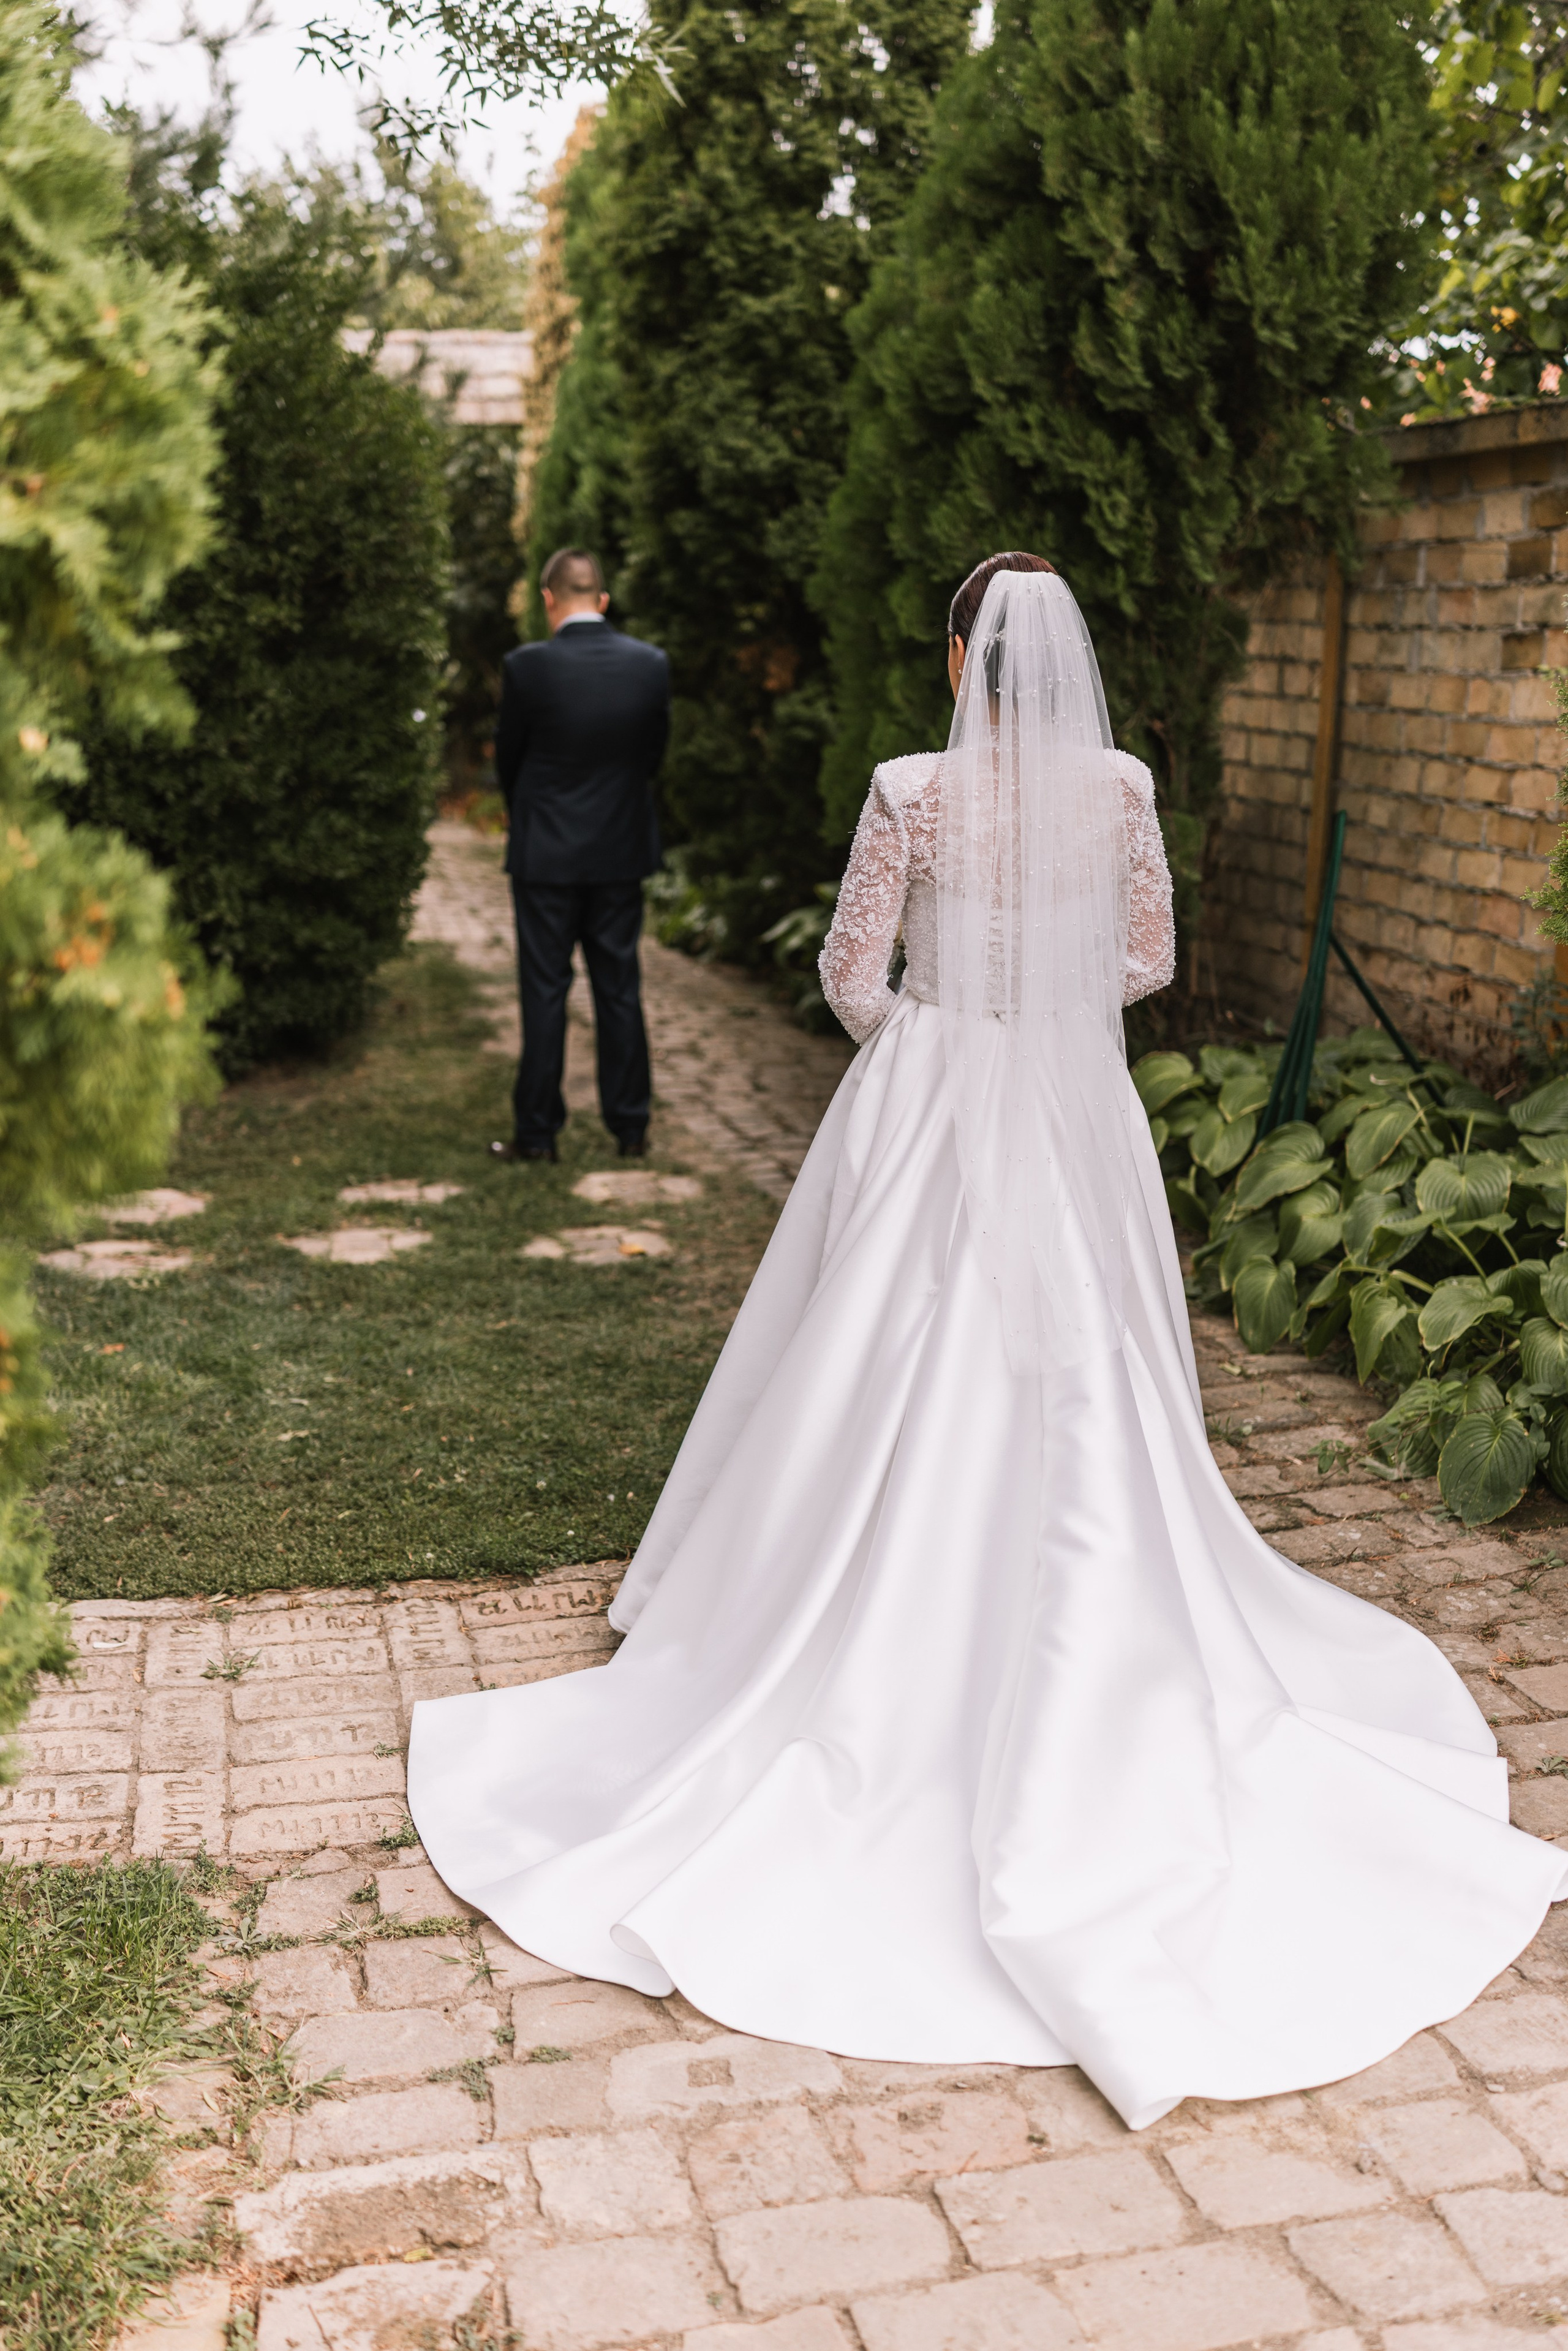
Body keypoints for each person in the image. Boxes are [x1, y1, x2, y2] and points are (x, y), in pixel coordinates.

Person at [412, 553, 1566, 2130]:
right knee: (1086, 1366)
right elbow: (1145, 961)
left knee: (871, 1354)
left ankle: (808, 1615)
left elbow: (844, 973)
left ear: (960, 656)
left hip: (939, 1089)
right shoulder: (1122, 784)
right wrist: (1041, 1027)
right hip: (1067, 1098)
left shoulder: (907, 786)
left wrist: (935, 1044)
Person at [489, 547, 670, 1164]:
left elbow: (507, 760)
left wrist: (530, 808)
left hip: (544, 855)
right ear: (603, 600)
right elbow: (651, 755)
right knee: (619, 986)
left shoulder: (526, 667)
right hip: (619, 849)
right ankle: (631, 1127)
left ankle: (537, 1135)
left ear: (548, 600)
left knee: (544, 990)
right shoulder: (650, 665)